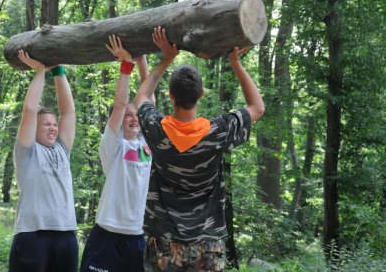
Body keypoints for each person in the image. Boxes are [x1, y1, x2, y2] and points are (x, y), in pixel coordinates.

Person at [134, 26, 265, 271]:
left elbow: (142, 97)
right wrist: (234, 61)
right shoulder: (217, 131)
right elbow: (257, 107)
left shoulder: (157, 129)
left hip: (164, 241)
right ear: (201, 94)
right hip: (208, 244)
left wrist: (166, 58)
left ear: (171, 96)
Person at [80, 35, 154, 272]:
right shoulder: (113, 146)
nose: (133, 118)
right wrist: (126, 65)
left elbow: (149, 100)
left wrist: (142, 61)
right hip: (107, 235)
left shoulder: (149, 145)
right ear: (120, 121)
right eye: (128, 115)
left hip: (137, 237)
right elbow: (120, 103)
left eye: (136, 114)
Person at [9, 49, 78, 272]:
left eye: (54, 123)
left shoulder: (61, 148)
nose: (53, 127)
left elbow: (68, 112)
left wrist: (58, 71)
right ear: (34, 129)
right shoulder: (27, 152)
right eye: (46, 124)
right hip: (32, 234)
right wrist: (39, 71)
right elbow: (29, 109)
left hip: (66, 234)